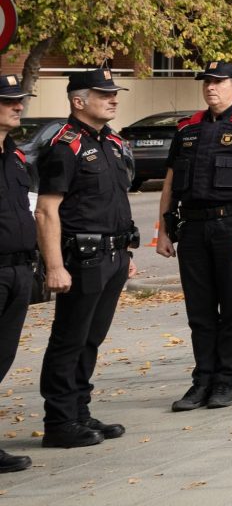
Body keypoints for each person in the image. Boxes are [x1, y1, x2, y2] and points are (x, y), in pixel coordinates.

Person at [154, 61, 232, 411]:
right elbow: (169, 184)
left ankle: (225, 381)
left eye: (219, 82)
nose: (211, 88)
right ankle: (201, 380)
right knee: (200, 311)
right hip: (193, 228)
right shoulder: (187, 129)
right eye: (207, 82)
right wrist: (162, 231)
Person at [37, 69, 138, 448]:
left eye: (114, 93)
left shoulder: (111, 142)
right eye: (103, 93)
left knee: (91, 339)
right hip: (82, 257)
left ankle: (79, 410)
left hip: (112, 254)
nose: (112, 99)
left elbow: (114, 202)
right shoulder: (65, 146)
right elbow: (47, 210)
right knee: (70, 338)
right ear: (78, 101)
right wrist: (54, 266)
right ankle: (59, 421)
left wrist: (125, 251)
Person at [0, 77, 35, 467]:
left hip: (18, 271)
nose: (18, 106)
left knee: (3, 357)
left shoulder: (17, 155)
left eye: (19, 100)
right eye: (8, 101)